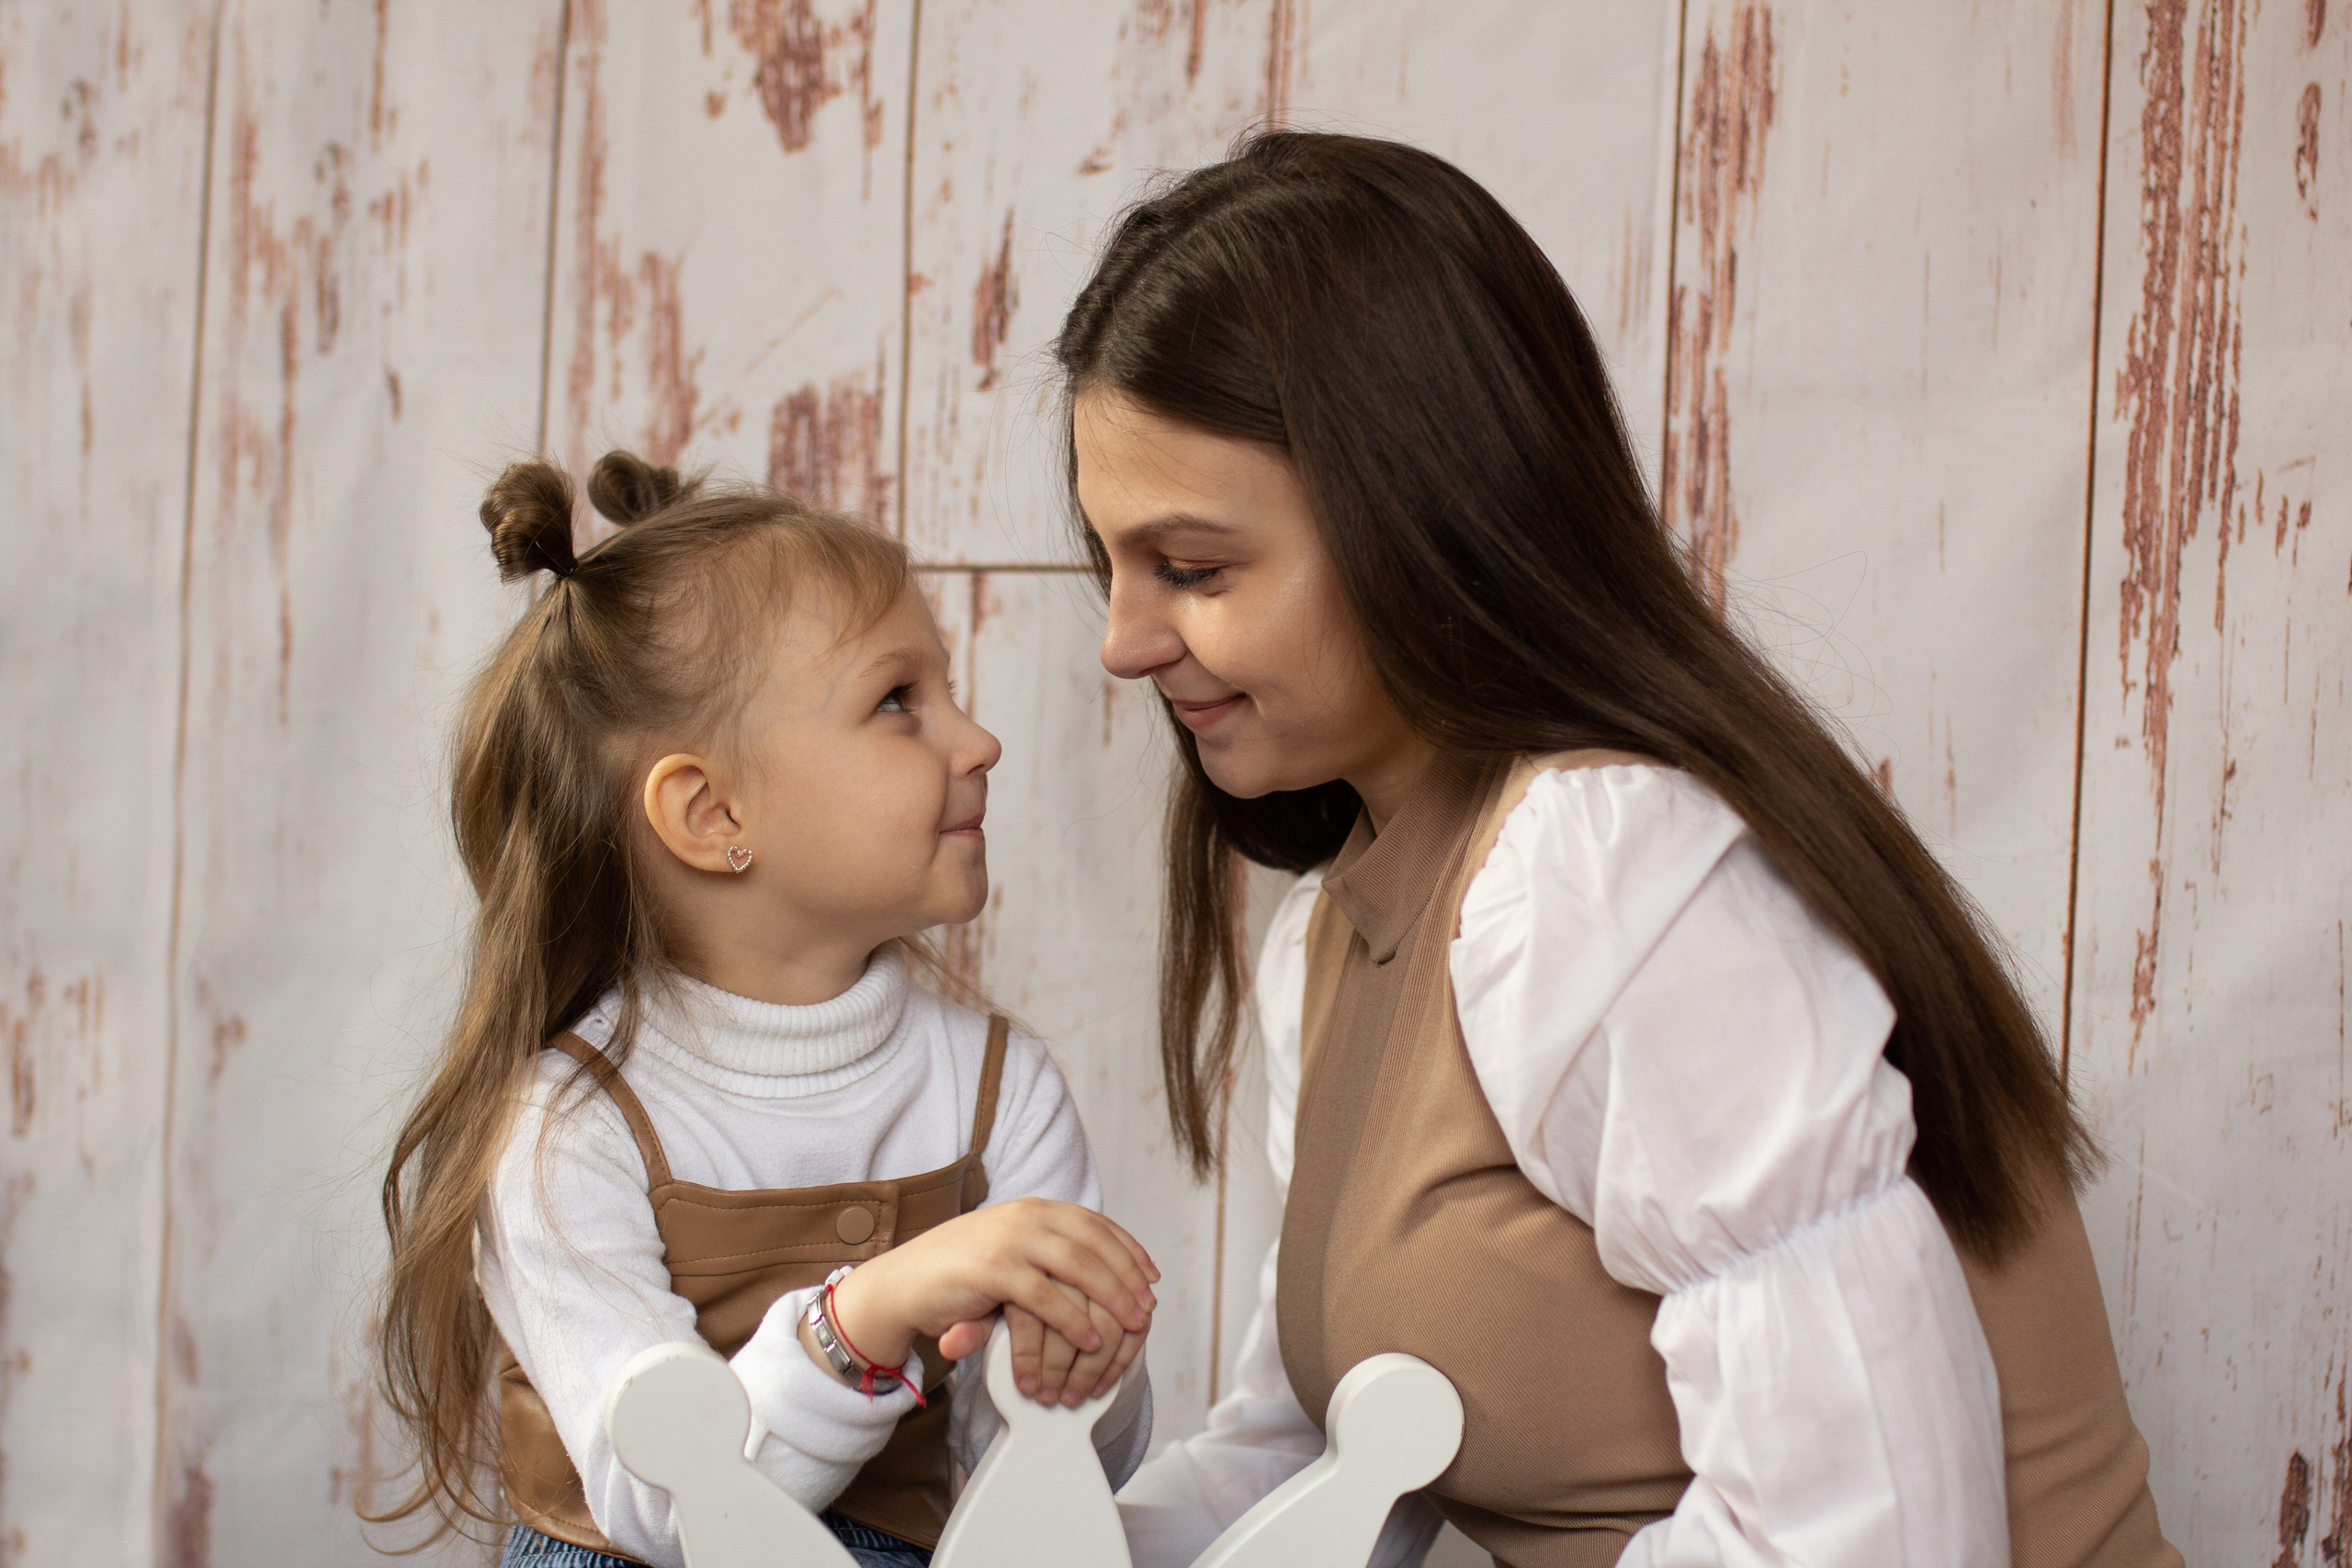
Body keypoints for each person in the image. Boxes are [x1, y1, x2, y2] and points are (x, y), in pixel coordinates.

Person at [1067, 133, 2180, 1568]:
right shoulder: (1338, 942)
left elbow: (1871, 1534)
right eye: (1113, 564)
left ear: (1421, 512)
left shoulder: (1600, 873)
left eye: (1194, 568)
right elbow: (1318, 1464)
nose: (1123, 640)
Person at [371, 453, 1158, 1568]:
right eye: (899, 701)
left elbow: (1033, 1478)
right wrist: (867, 1314)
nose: (977, 742)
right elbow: (665, 1508)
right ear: (709, 811)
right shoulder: (564, 1127)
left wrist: (1079, 1362)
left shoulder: (1001, 1092)